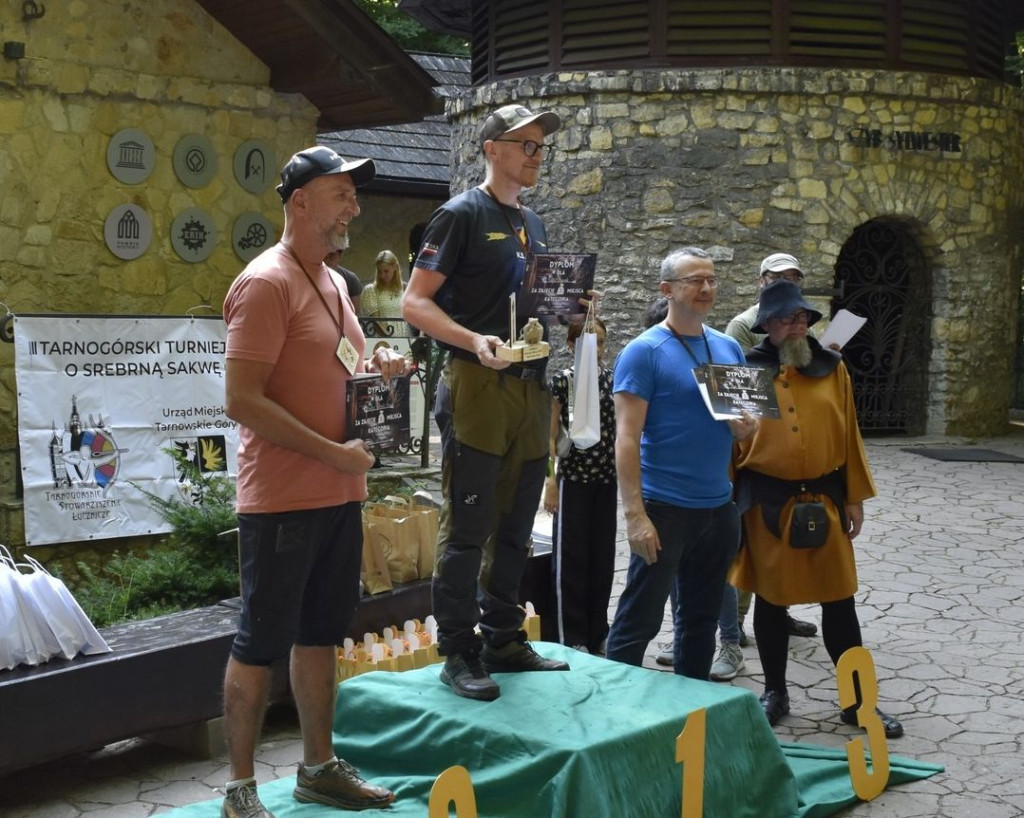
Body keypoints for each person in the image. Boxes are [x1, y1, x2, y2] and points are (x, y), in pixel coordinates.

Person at [221, 146, 409, 818]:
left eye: (354, 197)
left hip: (338, 494)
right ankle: (240, 790)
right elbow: (241, 400)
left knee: (322, 635)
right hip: (283, 499)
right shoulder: (266, 282)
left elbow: (344, 365)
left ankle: (317, 768)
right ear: (300, 201)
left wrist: (379, 364)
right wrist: (333, 454)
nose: (353, 208)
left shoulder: (333, 281)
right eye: (341, 195)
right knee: (260, 641)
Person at [402, 104, 569, 701]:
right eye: (526, 144)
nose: (536, 154)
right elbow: (414, 303)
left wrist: (572, 312)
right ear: (492, 147)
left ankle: (503, 637)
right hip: (477, 385)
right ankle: (457, 650)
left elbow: (535, 302)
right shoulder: (461, 214)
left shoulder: (536, 222)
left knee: (520, 521)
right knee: (469, 523)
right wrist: (474, 339)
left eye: (540, 147)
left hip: (530, 386)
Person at [730, 280, 904, 738]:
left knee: (840, 600)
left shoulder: (833, 368)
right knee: (771, 601)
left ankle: (857, 702)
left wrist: (854, 496)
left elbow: (849, 435)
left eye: (804, 318)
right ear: (766, 325)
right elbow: (728, 447)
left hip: (824, 500)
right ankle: (775, 693)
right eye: (788, 319)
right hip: (766, 504)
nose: (798, 326)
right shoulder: (744, 371)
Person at [604, 248, 758, 679]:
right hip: (664, 509)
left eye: (711, 279)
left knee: (701, 621)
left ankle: (690, 712)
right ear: (667, 289)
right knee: (640, 620)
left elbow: (744, 426)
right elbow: (627, 439)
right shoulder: (643, 352)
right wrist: (635, 516)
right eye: (694, 280)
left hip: (718, 507)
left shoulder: (728, 347)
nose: (706, 288)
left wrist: (746, 429)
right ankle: (617, 714)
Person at [697, 252, 819, 683]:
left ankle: (774, 613)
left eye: (795, 278)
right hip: (752, 454)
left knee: (782, 552)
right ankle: (732, 634)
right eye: (782, 277)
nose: (789, 282)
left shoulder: (805, 335)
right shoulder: (740, 330)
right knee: (742, 553)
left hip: (793, 456)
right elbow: (736, 393)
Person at [543, 313, 616, 654]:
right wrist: (550, 481)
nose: (595, 348)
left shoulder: (612, 381)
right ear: (571, 345)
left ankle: (598, 630)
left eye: (600, 342)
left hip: (606, 479)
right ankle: (571, 636)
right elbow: (549, 433)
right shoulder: (562, 381)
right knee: (571, 560)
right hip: (573, 479)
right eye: (587, 341)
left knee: (602, 560)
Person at [360, 249, 410, 336]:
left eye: (386, 271)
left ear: (395, 267)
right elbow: (376, 322)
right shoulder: (371, 290)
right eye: (379, 272)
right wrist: (391, 341)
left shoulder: (405, 288)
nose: (382, 275)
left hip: (405, 341)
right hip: (382, 342)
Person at [324, 249, 363, 314]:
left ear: (340, 255)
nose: (327, 258)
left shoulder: (351, 278)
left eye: (331, 255)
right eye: (325, 254)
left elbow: (355, 312)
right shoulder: (313, 276)